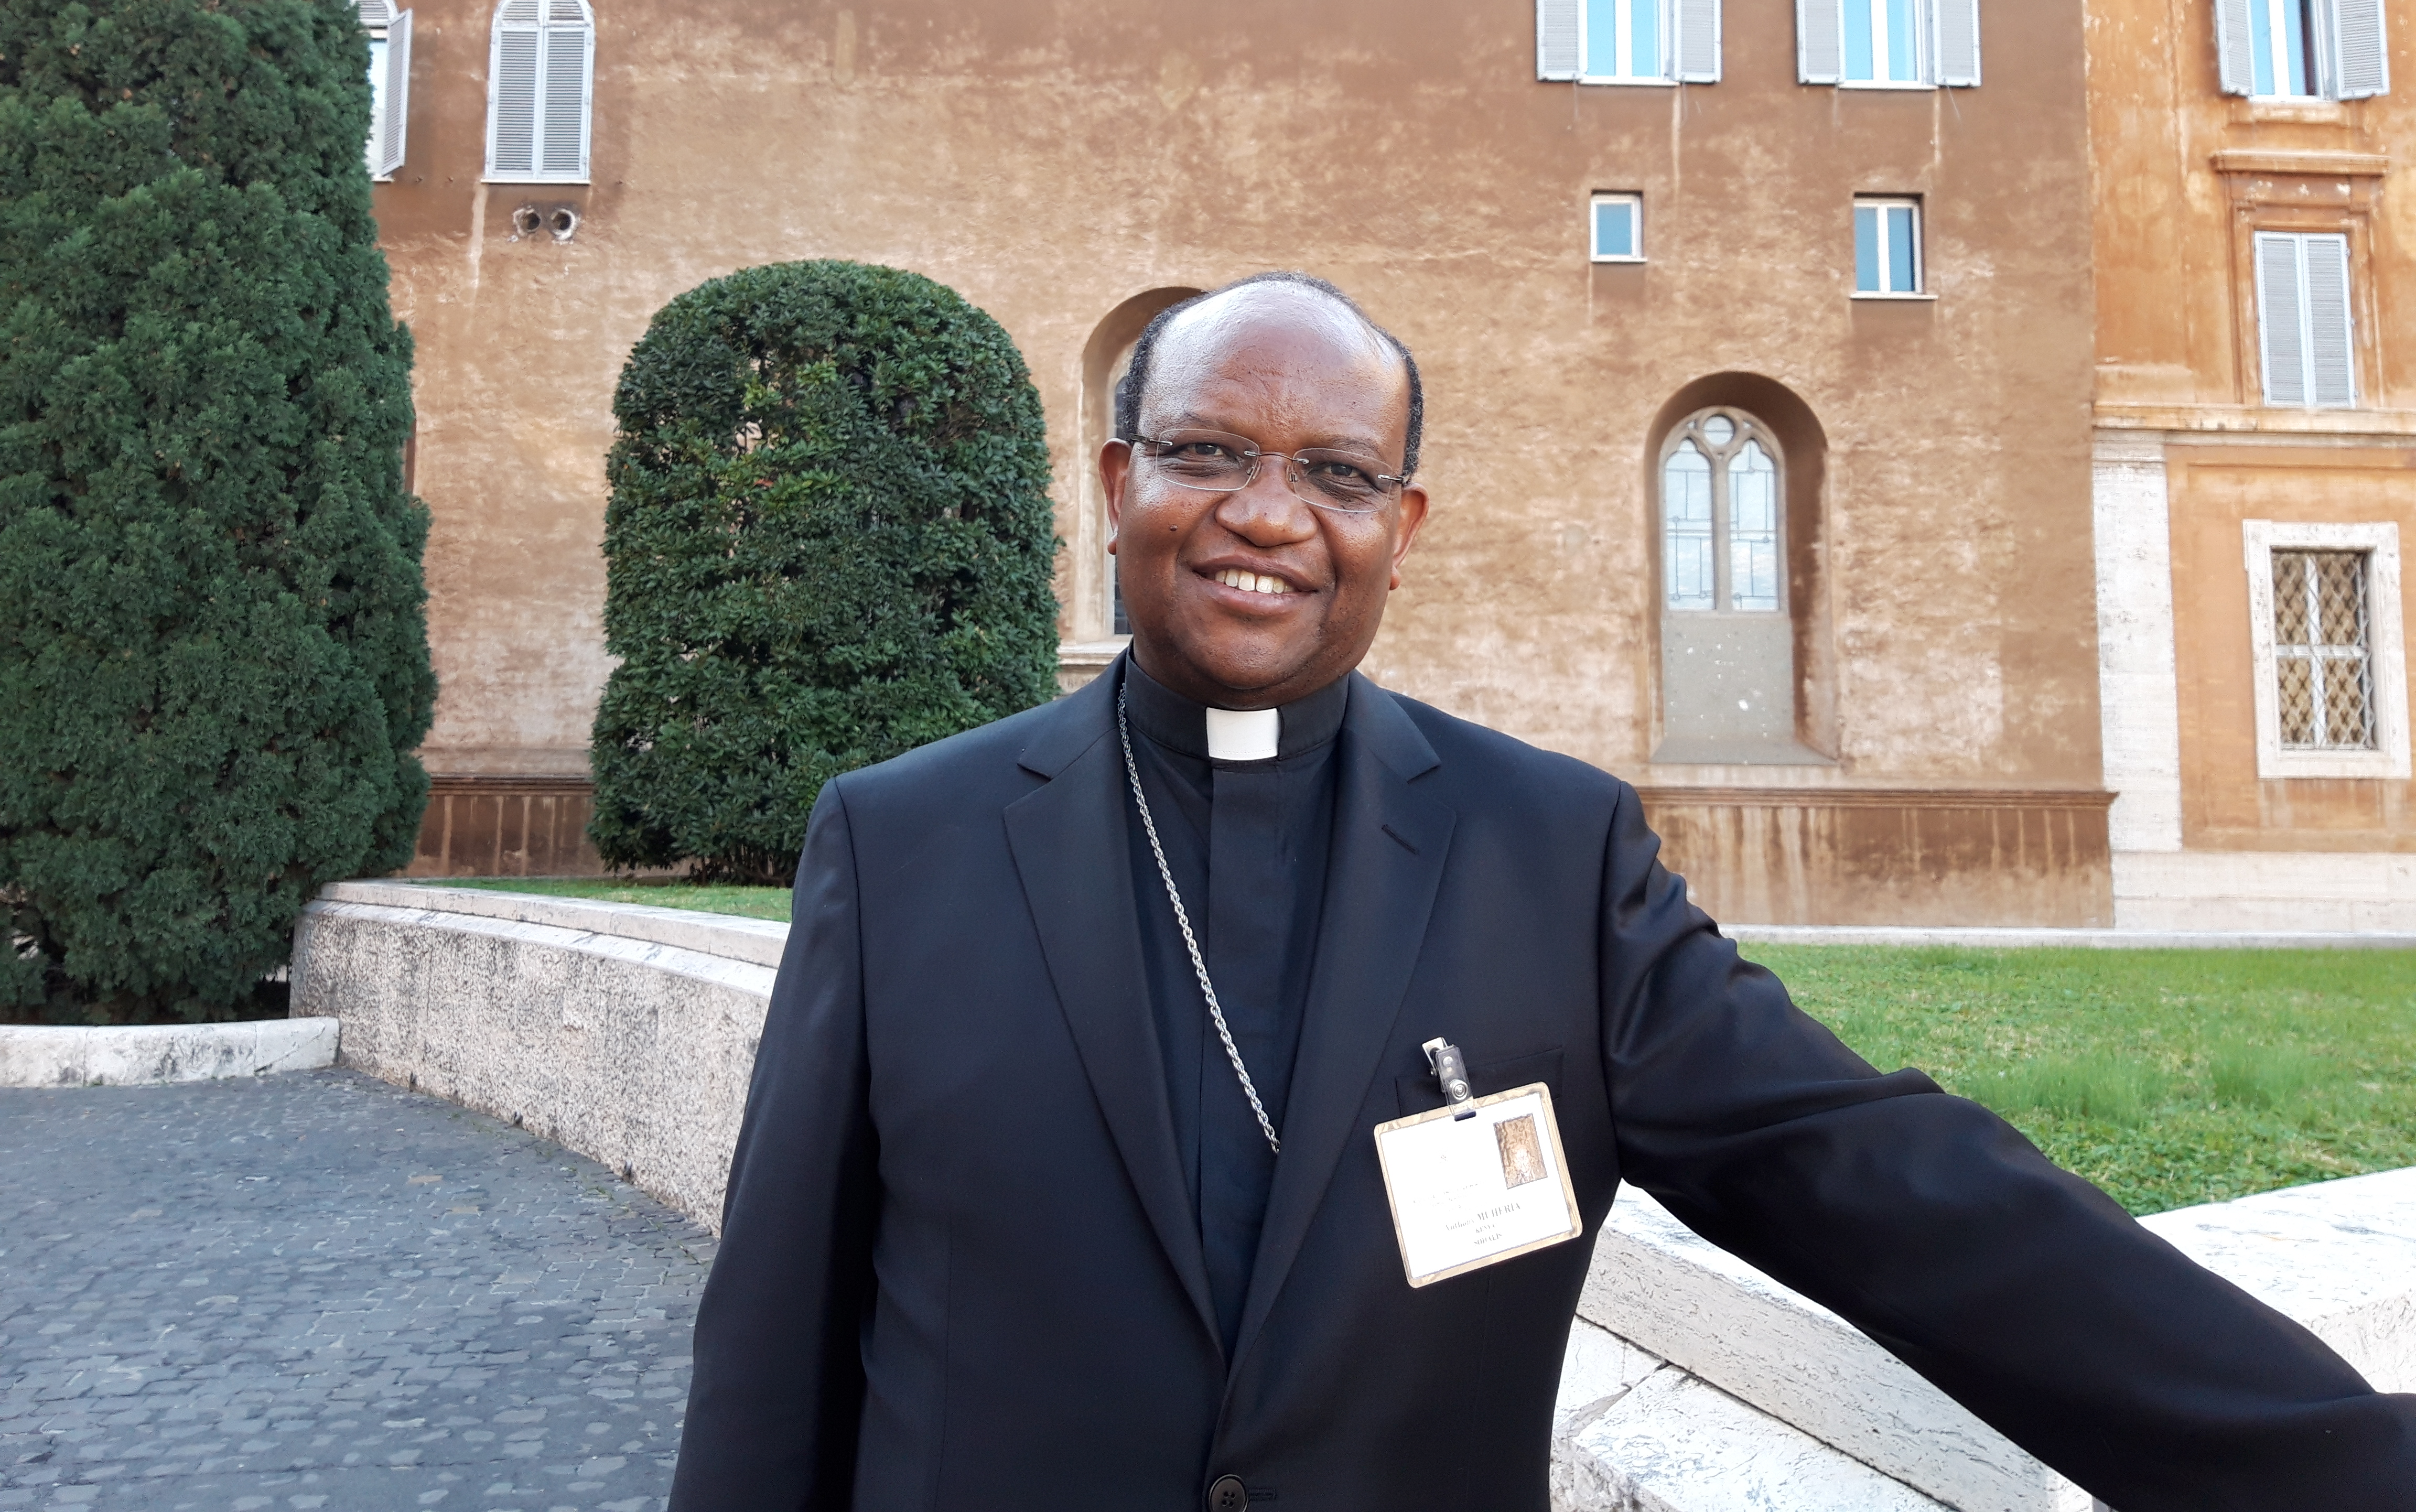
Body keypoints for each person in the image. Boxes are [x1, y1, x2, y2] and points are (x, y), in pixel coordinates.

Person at [668, 273, 2415, 1512]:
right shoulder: (903, 844)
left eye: (1338, 473)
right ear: (1120, 483)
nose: (1267, 514)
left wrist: (2336, 1460)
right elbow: (777, 1346)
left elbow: (1877, 1179)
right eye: (1208, 452)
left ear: (1403, 525)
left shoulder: (1549, 851)